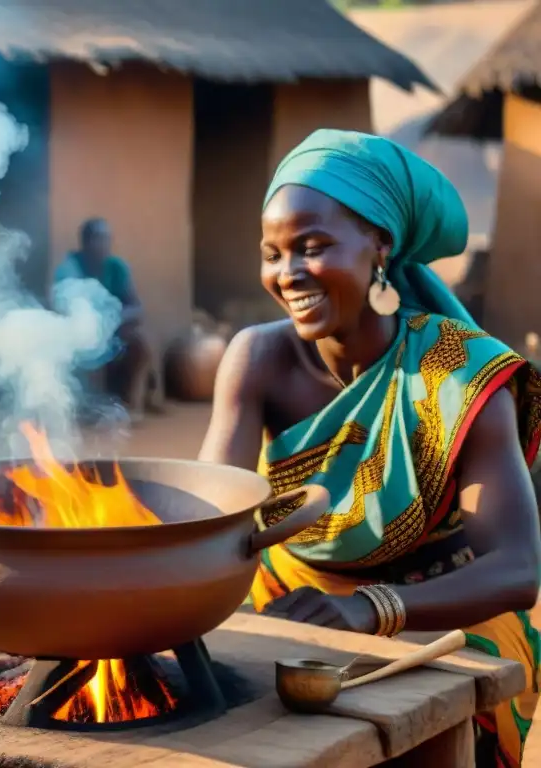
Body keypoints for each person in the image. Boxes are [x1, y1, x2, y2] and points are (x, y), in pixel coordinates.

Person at [199, 129, 541, 767]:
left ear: (381, 244)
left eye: (313, 247)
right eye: (272, 253)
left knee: (425, 732)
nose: (288, 273)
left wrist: (372, 610)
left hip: (444, 611)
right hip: (295, 600)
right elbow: (207, 513)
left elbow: (519, 569)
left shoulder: (458, 373)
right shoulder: (258, 359)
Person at [53, 218, 160, 421]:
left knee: (140, 342)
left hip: (113, 333)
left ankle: (129, 406)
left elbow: (137, 308)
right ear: (85, 242)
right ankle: (83, 408)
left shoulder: (116, 267)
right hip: (79, 336)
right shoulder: (69, 269)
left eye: (107, 239)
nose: (104, 244)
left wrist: (115, 318)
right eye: (99, 239)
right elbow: (66, 312)